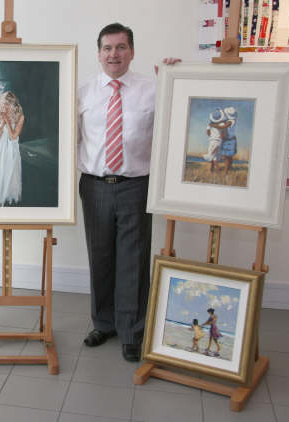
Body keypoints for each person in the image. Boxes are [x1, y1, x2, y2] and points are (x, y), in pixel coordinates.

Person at [78, 22, 180, 361]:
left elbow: (178, 118)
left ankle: (132, 331)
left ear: (131, 52)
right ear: (99, 53)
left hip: (136, 186)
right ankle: (103, 322)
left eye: (121, 47)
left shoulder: (152, 89)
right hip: (94, 187)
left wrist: (175, 80)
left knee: (133, 260)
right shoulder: (83, 91)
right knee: (100, 256)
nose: (114, 54)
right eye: (107, 48)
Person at [0, 91, 24, 207]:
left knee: (10, 181)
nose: (4, 106)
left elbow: (13, 136)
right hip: (0, 152)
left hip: (12, 152)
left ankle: (9, 209)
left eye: (7, 104)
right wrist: (2, 122)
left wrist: (7, 120)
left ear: (13, 104)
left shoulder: (20, 117)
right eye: (3, 104)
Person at [203, 108, 230, 172]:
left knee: (212, 155)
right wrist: (220, 138)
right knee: (215, 155)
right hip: (219, 142)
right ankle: (212, 169)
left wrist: (212, 136)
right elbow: (223, 134)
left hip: (212, 141)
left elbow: (208, 133)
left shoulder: (210, 124)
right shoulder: (222, 124)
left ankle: (217, 169)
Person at [221, 106, 238, 175]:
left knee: (226, 157)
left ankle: (226, 171)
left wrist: (215, 125)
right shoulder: (233, 121)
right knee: (230, 156)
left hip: (228, 140)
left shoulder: (230, 122)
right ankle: (229, 167)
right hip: (232, 139)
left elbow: (224, 128)